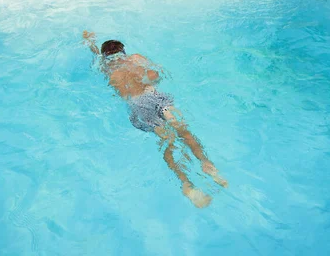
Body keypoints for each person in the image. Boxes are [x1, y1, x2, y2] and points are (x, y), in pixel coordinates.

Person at [83, 31, 227, 208]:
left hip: (137, 106)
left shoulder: (106, 68)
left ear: (106, 56)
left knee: (169, 142)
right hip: (154, 96)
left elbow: (100, 61)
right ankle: (206, 164)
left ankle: (186, 184)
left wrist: (90, 41)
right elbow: (156, 74)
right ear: (123, 51)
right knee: (183, 130)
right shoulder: (135, 58)